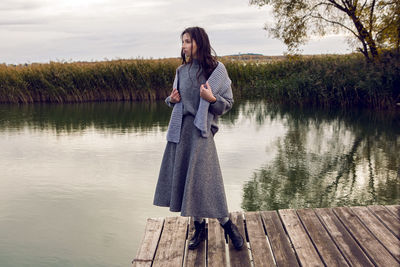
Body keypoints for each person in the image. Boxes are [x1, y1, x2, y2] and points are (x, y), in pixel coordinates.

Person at [153, 26, 244, 250]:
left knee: (208, 181)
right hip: (181, 133)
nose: (183, 46)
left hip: (201, 132)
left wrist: (211, 98)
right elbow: (174, 101)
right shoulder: (180, 72)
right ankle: (199, 227)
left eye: (188, 42)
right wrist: (170, 100)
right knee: (188, 181)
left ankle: (227, 225)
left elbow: (227, 104)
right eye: (182, 42)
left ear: (199, 43)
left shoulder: (215, 70)